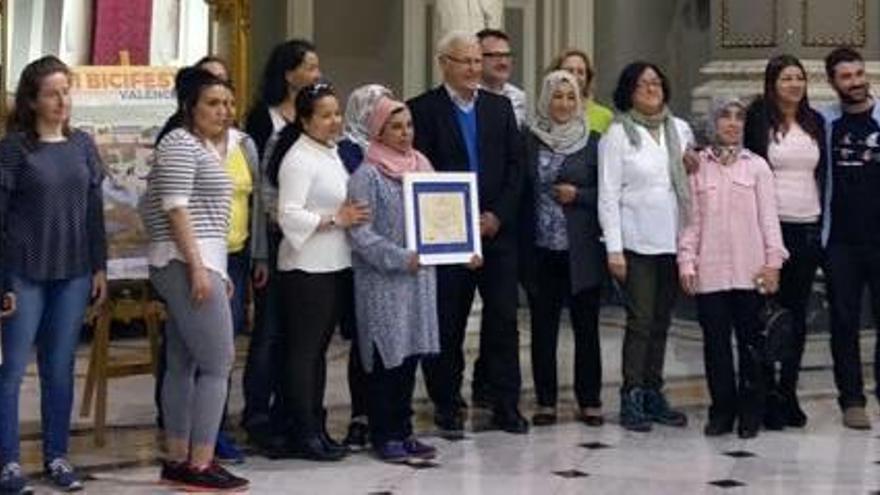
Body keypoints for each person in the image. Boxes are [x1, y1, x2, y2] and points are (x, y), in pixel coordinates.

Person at [408, 31, 526, 437]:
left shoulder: (500, 107)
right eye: (467, 62)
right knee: (447, 323)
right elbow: (419, 173)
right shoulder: (422, 110)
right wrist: (454, 226)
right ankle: (446, 403)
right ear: (444, 63)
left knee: (503, 323)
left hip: (498, 234)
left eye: (479, 61)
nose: (476, 69)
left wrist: (497, 216)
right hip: (447, 239)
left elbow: (516, 169)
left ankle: (506, 404)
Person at [0, 55, 108, 494]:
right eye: (52, 93)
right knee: (11, 370)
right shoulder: (14, 148)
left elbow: (94, 210)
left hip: (75, 270)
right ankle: (7, 463)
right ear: (32, 100)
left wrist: (100, 265)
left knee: (60, 367)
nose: (62, 100)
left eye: (66, 91)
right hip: (24, 270)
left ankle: (57, 455)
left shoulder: (82, 144)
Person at [143, 68, 248, 491]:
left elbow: (207, 217)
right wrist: (198, 266)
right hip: (184, 261)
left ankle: (178, 457)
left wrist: (213, 267)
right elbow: (176, 208)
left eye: (227, 103)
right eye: (212, 103)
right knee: (218, 362)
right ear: (190, 106)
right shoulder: (181, 143)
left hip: (200, 260)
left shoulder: (204, 146)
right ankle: (201, 463)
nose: (223, 111)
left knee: (184, 364)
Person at [679, 97, 788, 439]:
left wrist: (773, 263)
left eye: (739, 117)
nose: (732, 123)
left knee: (750, 343)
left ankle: (750, 411)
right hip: (710, 271)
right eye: (724, 116)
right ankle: (721, 411)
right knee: (716, 345)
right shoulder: (698, 167)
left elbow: (770, 220)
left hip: (750, 271)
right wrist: (687, 260)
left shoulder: (756, 166)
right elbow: (690, 221)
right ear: (713, 122)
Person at [275, 83, 370, 460]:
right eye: (325, 115)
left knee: (317, 352)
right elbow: (289, 214)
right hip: (306, 267)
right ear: (304, 120)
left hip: (334, 262)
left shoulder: (328, 152)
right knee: (305, 352)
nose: (334, 121)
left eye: (337, 113)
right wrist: (336, 218)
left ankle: (316, 424)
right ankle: (304, 430)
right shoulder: (298, 158)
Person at [598, 61, 693, 432]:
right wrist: (614, 248)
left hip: (674, 239)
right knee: (640, 321)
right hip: (635, 242)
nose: (651, 88)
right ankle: (632, 394)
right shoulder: (618, 135)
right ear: (629, 92)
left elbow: (691, 178)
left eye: (656, 81)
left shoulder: (680, 129)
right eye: (642, 84)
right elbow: (608, 195)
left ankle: (654, 391)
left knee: (662, 321)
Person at [347, 96, 440, 463]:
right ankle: (383, 432)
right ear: (378, 130)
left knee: (412, 355)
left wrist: (461, 248)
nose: (405, 134)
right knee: (388, 358)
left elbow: (443, 218)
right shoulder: (366, 175)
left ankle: (404, 430)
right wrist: (401, 258)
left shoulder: (424, 166)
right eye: (396, 127)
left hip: (420, 280)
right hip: (383, 281)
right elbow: (361, 235)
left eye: (409, 126)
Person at [241, 39, 322, 448]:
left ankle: (292, 411)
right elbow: (258, 185)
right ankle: (257, 413)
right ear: (289, 73)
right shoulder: (262, 118)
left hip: (311, 238)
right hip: (272, 235)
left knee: (300, 332)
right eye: (309, 67)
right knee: (269, 330)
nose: (316, 74)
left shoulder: (316, 116)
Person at [743, 54, 826, 430]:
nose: (794, 84)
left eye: (799, 78)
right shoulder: (759, 121)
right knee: (764, 315)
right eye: (786, 78)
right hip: (769, 229)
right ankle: (762, 393)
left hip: (806, 227)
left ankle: (787, 392)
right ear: (772, 83)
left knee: (795, 316)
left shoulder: (815, 122)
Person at [520, 70, 605, 427]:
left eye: (571, 97)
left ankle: (590, 400)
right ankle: (546, 401)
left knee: (587, 327)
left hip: (581, 249)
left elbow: (609, 192)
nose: (564, 104)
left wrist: (579, 196)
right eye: (557, 96)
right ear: (545, 99)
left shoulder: (595, 141)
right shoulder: (528, 139)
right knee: (543, 327)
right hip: (540, 248)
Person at [820, 47, 880, 430]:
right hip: (840, 240)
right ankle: (852, 398)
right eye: (846, 76)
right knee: (843, 322)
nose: (856, 82)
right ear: (833, 83)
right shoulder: (825, 123)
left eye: (859, 73)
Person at [336, 83, 393, 450]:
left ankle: (389, 413)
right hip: (357, 254)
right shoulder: (345, 150)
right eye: (370, 107)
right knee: (363, 339)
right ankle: (361, 414)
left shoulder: (401, 149)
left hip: (394, 256)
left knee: (393, 336)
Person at [551, 48, 614, 134]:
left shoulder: (605, 117)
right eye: (569, 71)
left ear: (587, 78)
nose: (574, 76)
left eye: (580, 72)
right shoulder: (546, 115)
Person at [477, 28, 527, 127]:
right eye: (496, 55)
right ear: (478, 58)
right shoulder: (468, 96)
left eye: (507, 55)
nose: (503, 62)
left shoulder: (518, 97)